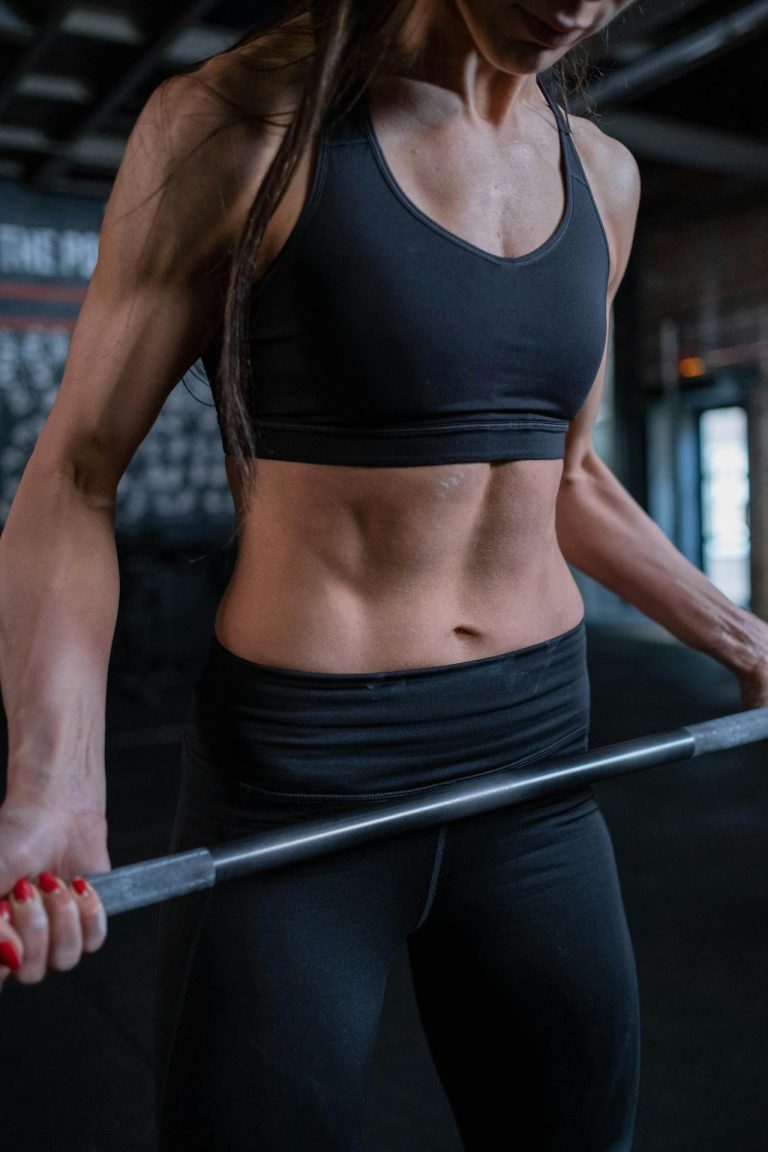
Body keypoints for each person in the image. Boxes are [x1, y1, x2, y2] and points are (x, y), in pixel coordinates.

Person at [1, 1, 767, 1149]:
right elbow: (75, 475)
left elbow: (568, 476)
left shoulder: (602, 174)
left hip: (538, 767)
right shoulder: (236, 122)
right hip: (305, 772)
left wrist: (748, 639)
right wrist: (57, 781)